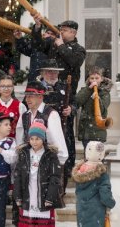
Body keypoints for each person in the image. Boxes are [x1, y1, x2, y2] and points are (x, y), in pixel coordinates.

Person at [14, 121, 64, 227]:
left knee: (43, 224)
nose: (34, 142)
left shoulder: (50, 155)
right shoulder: (24, 153)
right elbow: (18, 176)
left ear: (43, 139)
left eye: (37, 139)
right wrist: (18, 196)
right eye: (32, 139)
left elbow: (55, 177)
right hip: (28, 193)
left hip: (44, 195)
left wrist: (50, 197)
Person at [38, 58, 76, 192]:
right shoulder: (37, 87)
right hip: (43, 130)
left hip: (64, 130)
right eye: (49, 72)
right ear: (43, 73)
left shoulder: (65, 87)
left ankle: (61, 191)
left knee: (63, 160)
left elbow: (74, 104)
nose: (52, 74)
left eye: (54, 72)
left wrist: (71, 109)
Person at [16, 81, 68, 165]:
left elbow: (57, 141)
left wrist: (58, 165)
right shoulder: (24, 116)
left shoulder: (51, 114)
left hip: (46, 163)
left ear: (40, 96)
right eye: (26, 96)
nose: (27, 99)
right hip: (28, 163)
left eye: (31, 96)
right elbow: (20, 141)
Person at [32, 15, 86, 96]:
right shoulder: (52, 43)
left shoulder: (79, 49)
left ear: (73, 33)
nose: (61, 32)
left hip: (67, 91)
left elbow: (74, 62)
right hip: (48, 88)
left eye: (65, 30)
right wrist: (37, 26)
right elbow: (37, 45)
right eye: (61, 30)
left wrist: (61, 46)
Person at [72, 141, 115, 227]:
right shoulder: (101, 174)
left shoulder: (80, 171)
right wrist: (111, 203)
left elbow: (78, 192)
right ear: (101, 155)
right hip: (96, 213)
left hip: (82, 210)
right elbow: (105, 195)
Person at [75, 66, 112, 149]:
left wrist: (97, 99)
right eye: (92, 78)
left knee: (97, 157)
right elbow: (77, 101)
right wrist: (89, 89)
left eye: (97, 78)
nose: (94, 80)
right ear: (89, 79)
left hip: (98, 131)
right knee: (87, 158)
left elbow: (102, 110)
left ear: (101, 79)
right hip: (86, 131)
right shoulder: (85, 90)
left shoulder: (105, 93)